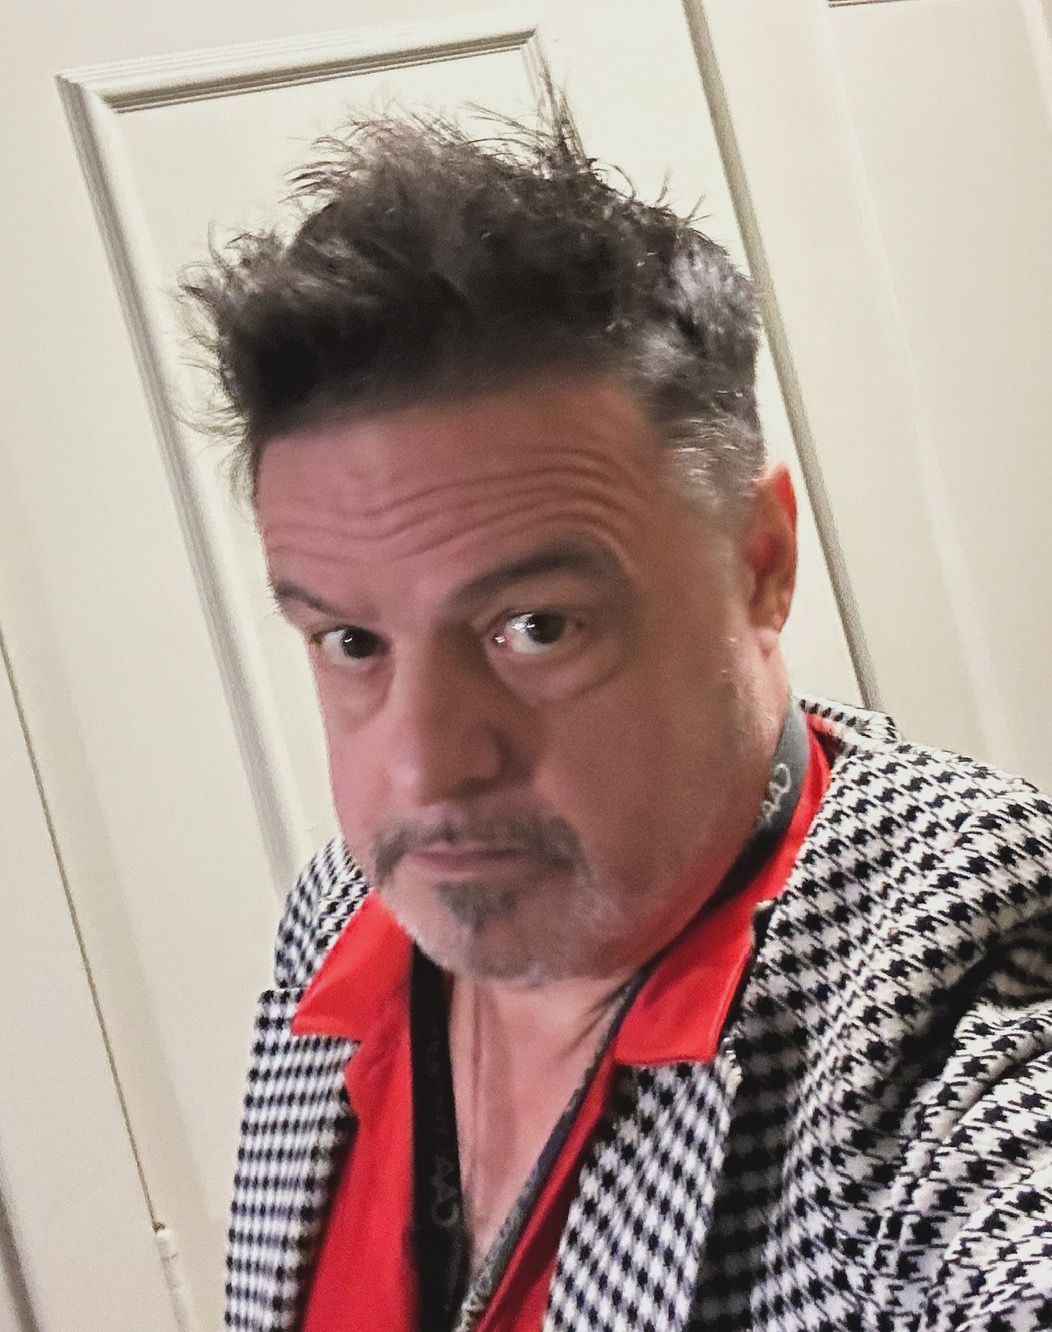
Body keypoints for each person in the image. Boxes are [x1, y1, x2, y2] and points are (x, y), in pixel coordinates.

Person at [185, 101, 1052, 1332]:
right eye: (351, 642)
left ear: (758, 562)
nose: (422, 766)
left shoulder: (956, 964)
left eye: (535, 626)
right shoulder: (345, 923)